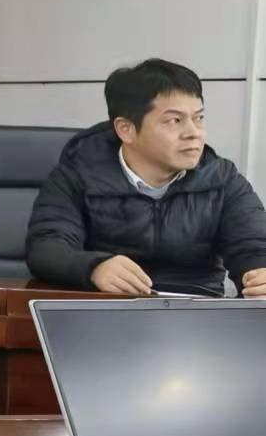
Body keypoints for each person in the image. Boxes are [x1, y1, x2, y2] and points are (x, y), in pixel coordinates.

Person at [26, 58, 266, 297]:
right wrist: (93, 267)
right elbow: (47, 247)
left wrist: (260, 274)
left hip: (196, 308)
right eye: (175, 120)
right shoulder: (78, 173)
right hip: (109, 306)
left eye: (198, 118)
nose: (194, 133)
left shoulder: (222, 178)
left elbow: (254, 246)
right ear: (126, 129)